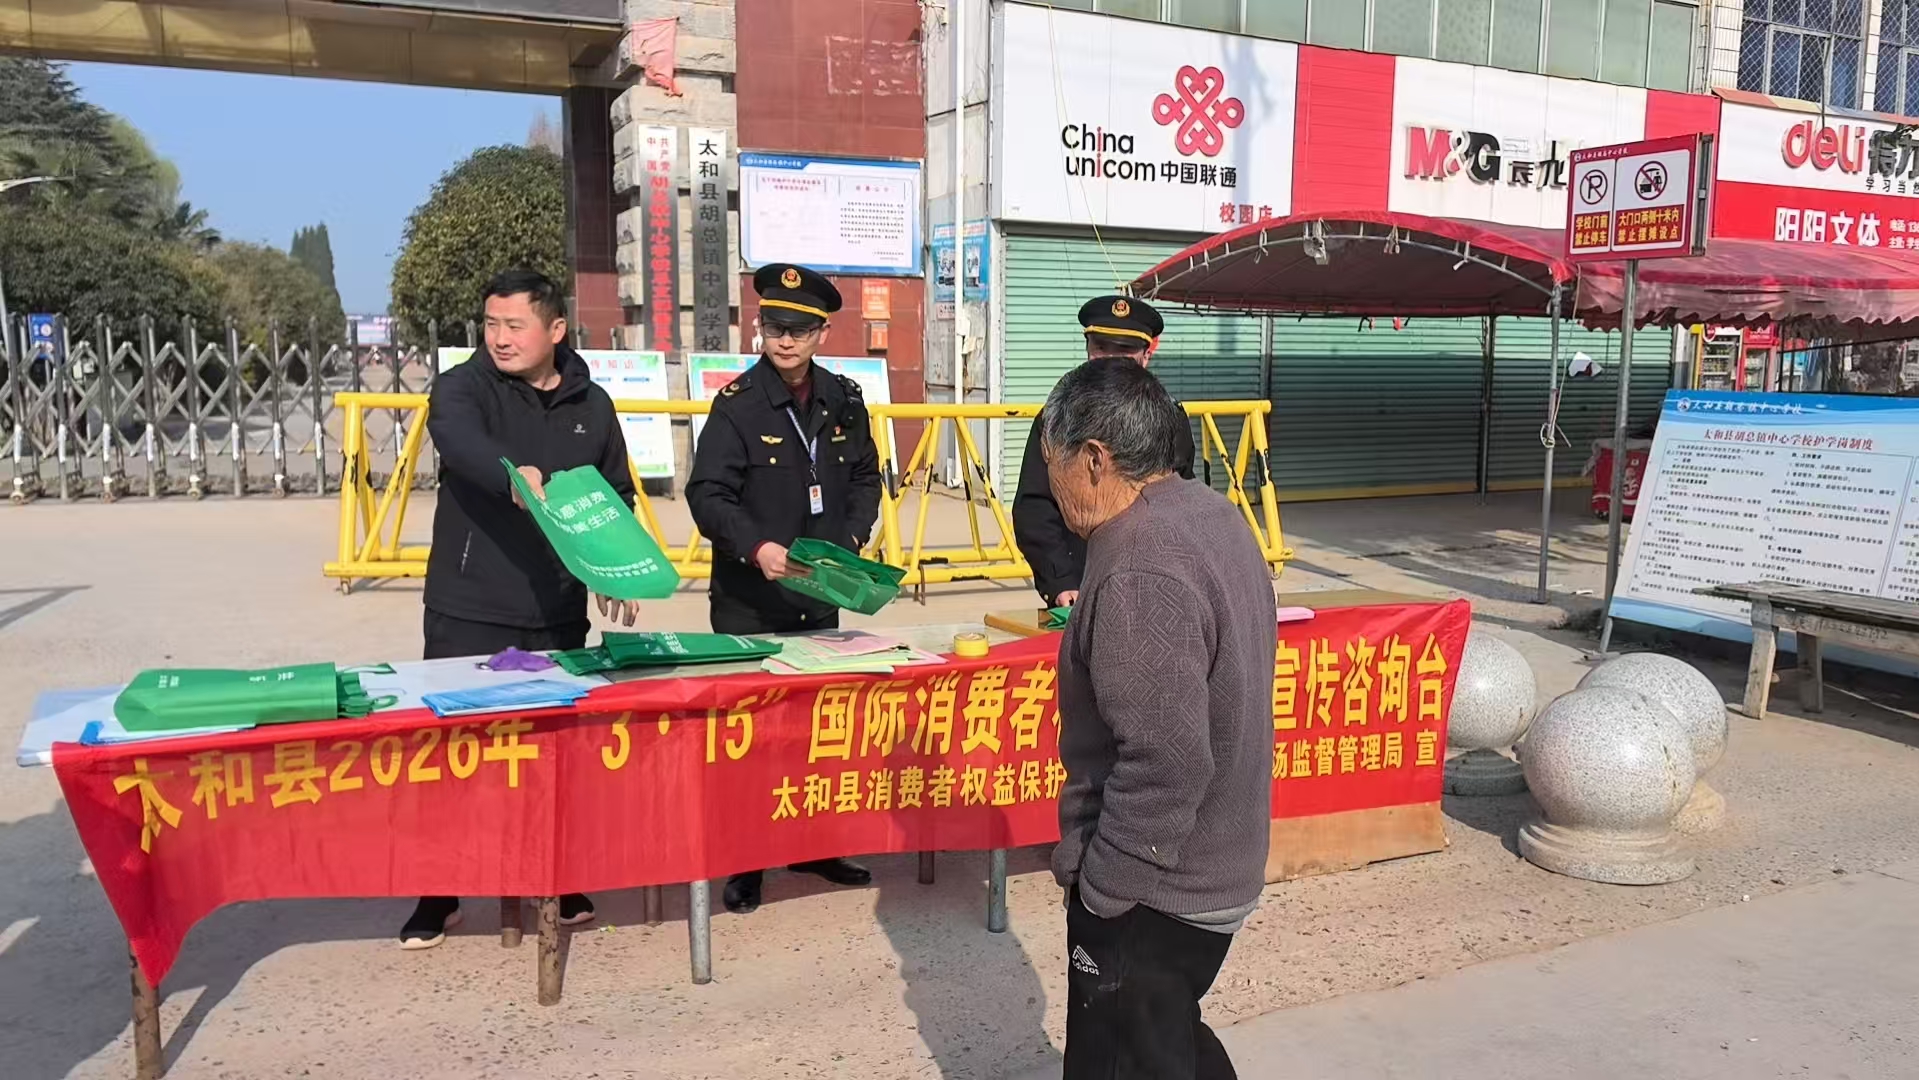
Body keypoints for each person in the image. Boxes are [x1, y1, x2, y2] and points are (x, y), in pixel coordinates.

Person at [1042, 358, 1276, 1079]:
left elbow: (1165, 761)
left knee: (1123, 1057)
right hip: (1210, 861)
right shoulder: (1209, 513)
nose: (1049, 484)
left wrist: (1104, 892)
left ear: (1093, 460)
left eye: (1050, 463)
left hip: (1157, 885)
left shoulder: (1139, 562)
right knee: (1165, 1039)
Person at [406, 268, 643, 950]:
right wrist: (514, 474)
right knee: (454, 754)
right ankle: (439, 890)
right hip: (471, 603)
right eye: (491, 324)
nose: (500, 338)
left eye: (515, 325)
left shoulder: (592, 404)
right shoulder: (463, 387)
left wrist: (611, 564)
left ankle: (557, 878)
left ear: (555, 329)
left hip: (556, 607)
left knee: (552, 756)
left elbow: (613, 492)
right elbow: (462, 444)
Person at [686, 262, 884, 915]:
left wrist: (850, 539)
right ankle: (745, 862)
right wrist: (757, 547)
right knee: (747, 740)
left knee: (813, 734)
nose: (786, 340)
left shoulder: (843, 400)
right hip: (751, 602)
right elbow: (707, 495)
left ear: (822, 333)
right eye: (775, 327)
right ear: (760, 327)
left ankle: (815, 846)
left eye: (799, 329)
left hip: (819, 598)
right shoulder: (738, 405)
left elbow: (865, 478)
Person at [1012, 295, 1195, 609]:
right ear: (1087, 349)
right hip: (1081, 584)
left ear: (1146, 356)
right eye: (1101, 347)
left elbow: (1185, 503)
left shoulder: (1169, 417)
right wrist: (1060, 581)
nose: (1111, 360)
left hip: (1155, 579)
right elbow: (1035, 505)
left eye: (1124, 350)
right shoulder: (1058, 416)